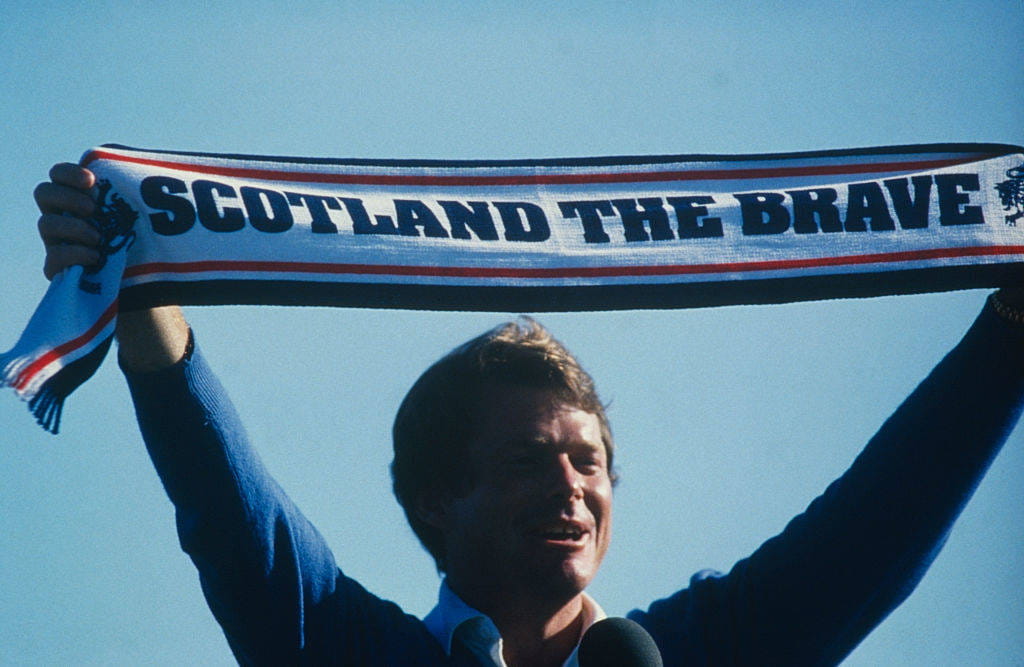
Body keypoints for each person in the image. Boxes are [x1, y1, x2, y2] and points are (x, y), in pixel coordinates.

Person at [35, 162, 1024, 666]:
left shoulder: (692, 652)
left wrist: (1008, 335)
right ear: (437, 501)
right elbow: (230, 515)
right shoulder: (347, 650)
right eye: (524, 460)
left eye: (588, 461)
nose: (570, 485)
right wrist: (135, 272)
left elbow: (872, 529)